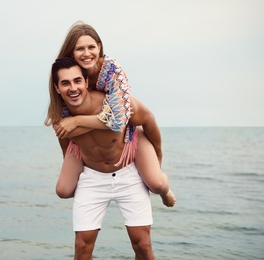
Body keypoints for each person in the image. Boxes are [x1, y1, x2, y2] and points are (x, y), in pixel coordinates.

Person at [44, 22, 176, 207]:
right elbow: (65, 132)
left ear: (99, 47)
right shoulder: (69, 75)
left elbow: (119, 120)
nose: (86, 53)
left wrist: (158, 155)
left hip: (121, 117)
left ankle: (165, 190)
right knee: (64, 190)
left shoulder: (112, 72)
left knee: (157, 183)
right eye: (79, 49)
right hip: (96, 123)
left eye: (91, 47)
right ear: (71, 52)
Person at [48, 57, 155, 259]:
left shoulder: (112, 105)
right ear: (57, 88)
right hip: (92, 178)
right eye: (65, 83)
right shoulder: (59, 118)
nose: (73, 88)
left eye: (77, 81)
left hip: (127, 173)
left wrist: (157, 155)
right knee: (82, 246)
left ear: (86, 82)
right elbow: (68, 146)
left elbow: (148, 119)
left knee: (142, 244)